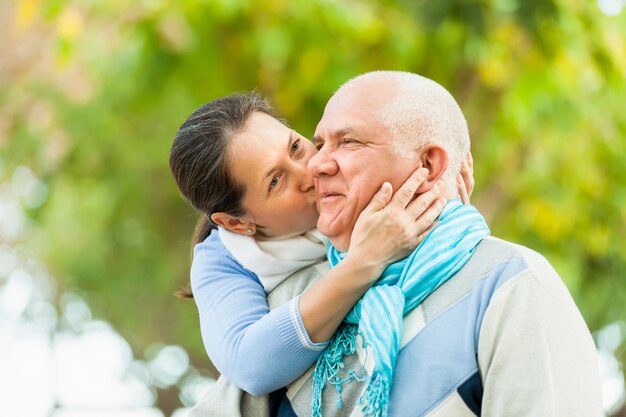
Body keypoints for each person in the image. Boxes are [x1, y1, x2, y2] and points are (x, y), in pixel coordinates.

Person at [264, 70, 600, 417]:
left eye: (348, 142)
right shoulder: (290, 306)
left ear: (429, 165)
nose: (316, 163)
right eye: (319, 145)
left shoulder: (512, 286)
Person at [169, 93, 474, 399]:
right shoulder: (224, 260)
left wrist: (448, 212)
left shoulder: (349, 173)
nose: (311, 170)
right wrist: (366, 260)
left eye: (296, 147)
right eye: (276, 180)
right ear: (236, 223)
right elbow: (250, 365)